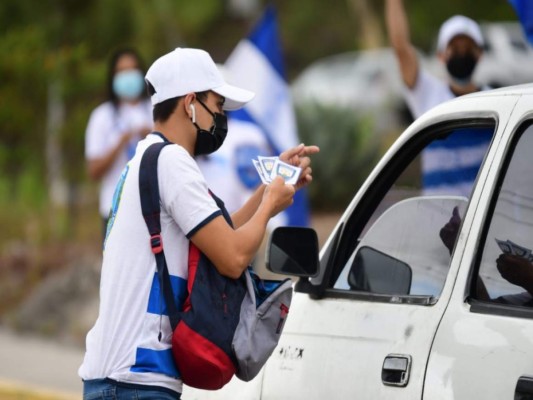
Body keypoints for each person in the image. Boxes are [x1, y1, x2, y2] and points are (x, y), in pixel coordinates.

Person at [78, 47, 319, 399]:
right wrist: (269, 206)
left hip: (119, 378)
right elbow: (234, 257)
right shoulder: (173, 162)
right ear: (191, 103)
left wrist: (270, 190)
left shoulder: (147, 158)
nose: (220, 119)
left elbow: (219, 235)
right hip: (135, 381)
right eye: (218, 107)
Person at [385, 0, 492, 197]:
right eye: (455, 48)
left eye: (467, 48)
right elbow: (401, 48)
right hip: (438, 222)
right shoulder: (427, 95)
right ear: (441, 55)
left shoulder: (495, 102)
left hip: (482, 224)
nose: (461, 54)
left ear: (480, 54)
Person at [85, 48, 153, 239]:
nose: (128, 77)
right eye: (122, 71)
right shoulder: (102, 116)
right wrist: (120, 142)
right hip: (114, 211)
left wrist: (152, 136)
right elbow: (93, 171)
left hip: (153, 211)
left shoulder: (156, 110)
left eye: (133, 70)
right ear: (113, 77)